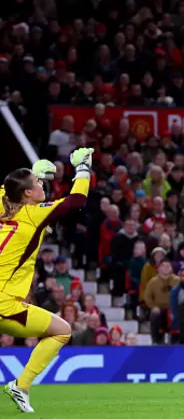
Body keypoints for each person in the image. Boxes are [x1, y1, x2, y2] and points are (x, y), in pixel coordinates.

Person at [0, 149, 94, 413]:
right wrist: (84, 168)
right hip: (4, 304)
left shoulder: (4, 203)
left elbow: (8, 188)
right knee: (62, 330)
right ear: (27, 194)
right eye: (38, 184)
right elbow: (75, 200)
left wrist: (32, 171)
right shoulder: (33, 214)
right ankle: (21, 385)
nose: (43, 185)